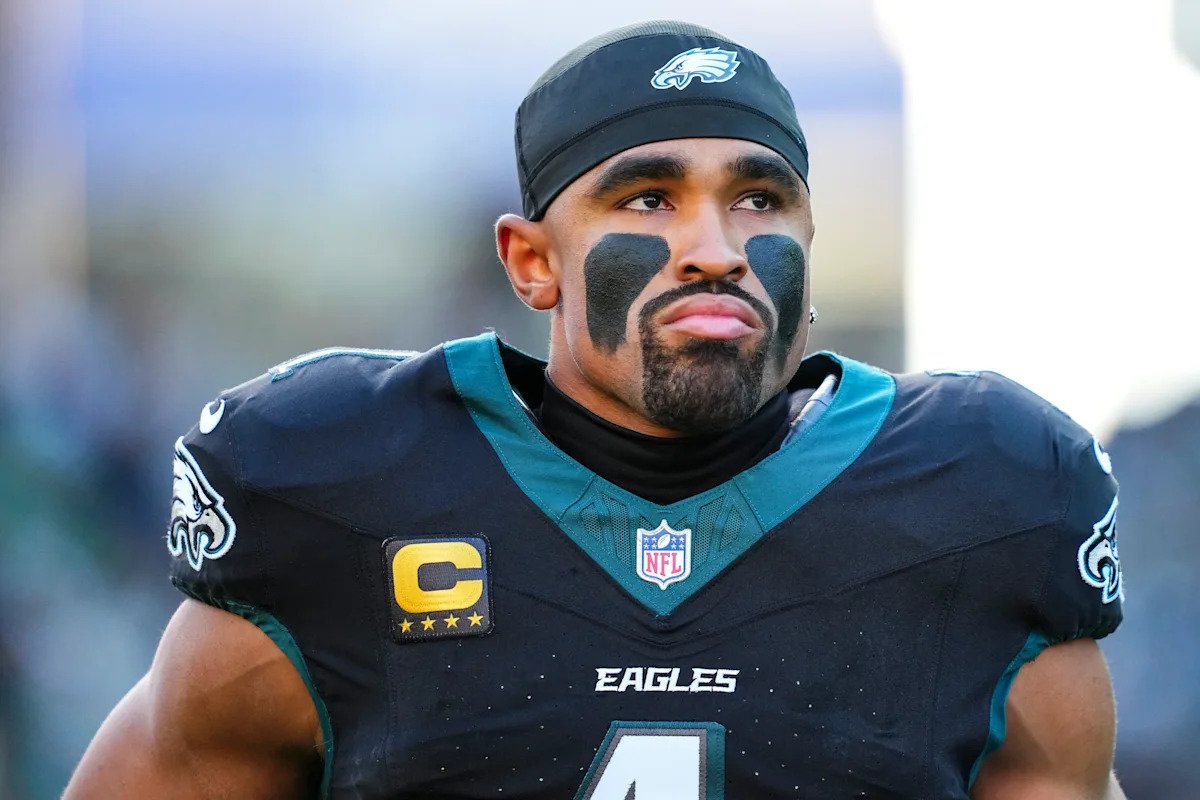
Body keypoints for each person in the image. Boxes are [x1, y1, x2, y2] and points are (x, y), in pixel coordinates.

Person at [66, 20, 1126, 799]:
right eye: (648, 198)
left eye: (759, 199)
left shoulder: (983, 499)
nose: (715, 248)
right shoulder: (339, 486)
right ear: (533, 261)